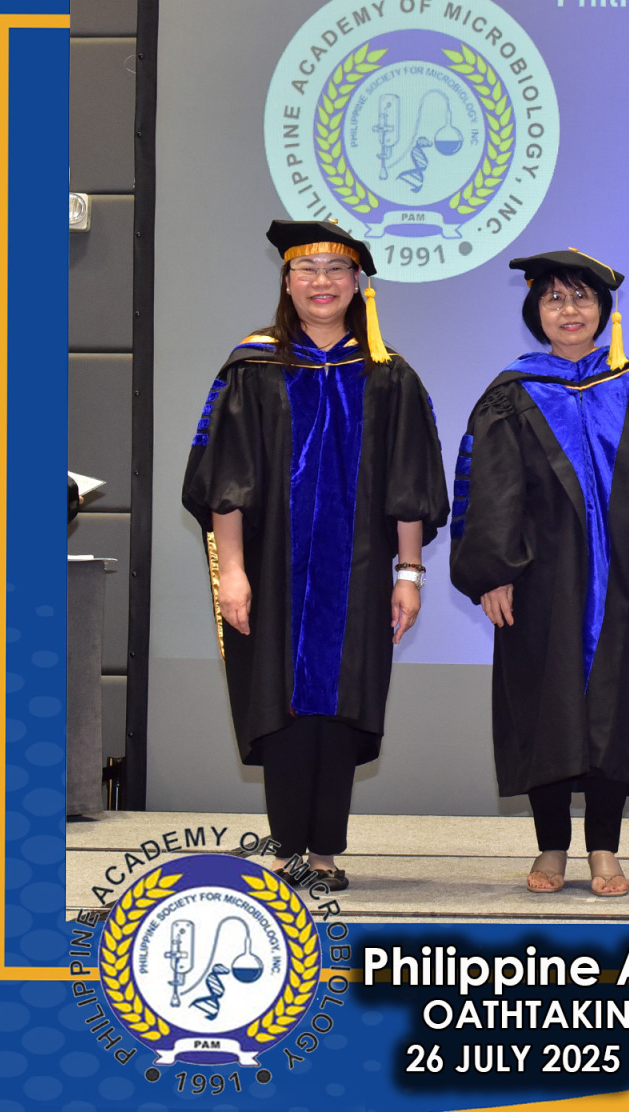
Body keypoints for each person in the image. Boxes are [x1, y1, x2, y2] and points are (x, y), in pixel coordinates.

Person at [182, 219, 449, 890]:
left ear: (359, 284)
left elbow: (409, 486)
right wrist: (231, 572)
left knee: (339, 707)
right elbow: (226, 483)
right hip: (272, 571)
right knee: (281, 705)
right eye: (308, 269)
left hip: (359, 573)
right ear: (287, 281)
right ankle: (285, 851)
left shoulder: (388, 374)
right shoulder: (253, 368)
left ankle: (325, 853)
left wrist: (409, 574)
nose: (322, 282)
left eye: (337, 269)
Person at [449, 250, 629, 898]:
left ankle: (604, 847)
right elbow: (489, 489)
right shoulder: (512, 393)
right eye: (554, 299)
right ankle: (550, 845)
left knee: (614, 712)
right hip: (537, 582)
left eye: (582, 298)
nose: (569, 310)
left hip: (625, 580)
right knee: (542, 708)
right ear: (535, 311)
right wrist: (493, 570)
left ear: (603, 310)